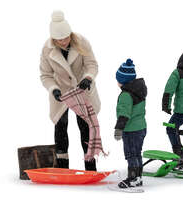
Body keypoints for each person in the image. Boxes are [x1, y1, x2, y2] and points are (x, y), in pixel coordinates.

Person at [39, 10, 101, 171]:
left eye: (65, 37)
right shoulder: (47, 49)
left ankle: (90, 166)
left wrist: (88, 78)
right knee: (61, 127)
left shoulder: (81, 42)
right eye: (59, 39)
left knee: (86, 127)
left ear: (70, 34)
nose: (63, 41)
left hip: (82, 91)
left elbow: (92, 64)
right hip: (61, 94)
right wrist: (54, 89)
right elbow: (45, 75)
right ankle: (62, 167)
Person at [114, 59, 147, 188]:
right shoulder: (138, 92)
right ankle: (138, 177)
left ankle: (133, 178)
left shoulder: (126, 95)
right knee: (137, 153)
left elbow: (124, 114)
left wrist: (119, 129)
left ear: (122, 81)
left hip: (131, 130)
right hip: (141, 128)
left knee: (131, 154)